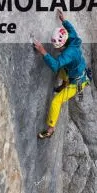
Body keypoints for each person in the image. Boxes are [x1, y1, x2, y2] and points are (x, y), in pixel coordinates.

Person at [33, 10, 89, 139]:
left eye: (57, 47)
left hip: (78, 83)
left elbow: (55, 65)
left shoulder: (68, 54)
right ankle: (64, 83)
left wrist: (43, 51)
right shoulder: (72, 38)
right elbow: (72, 30)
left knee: (56, 101)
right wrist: (64, 20)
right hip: (77, 71)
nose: (56, 49)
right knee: (64, 70)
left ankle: (50, 130)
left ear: (62, 46)